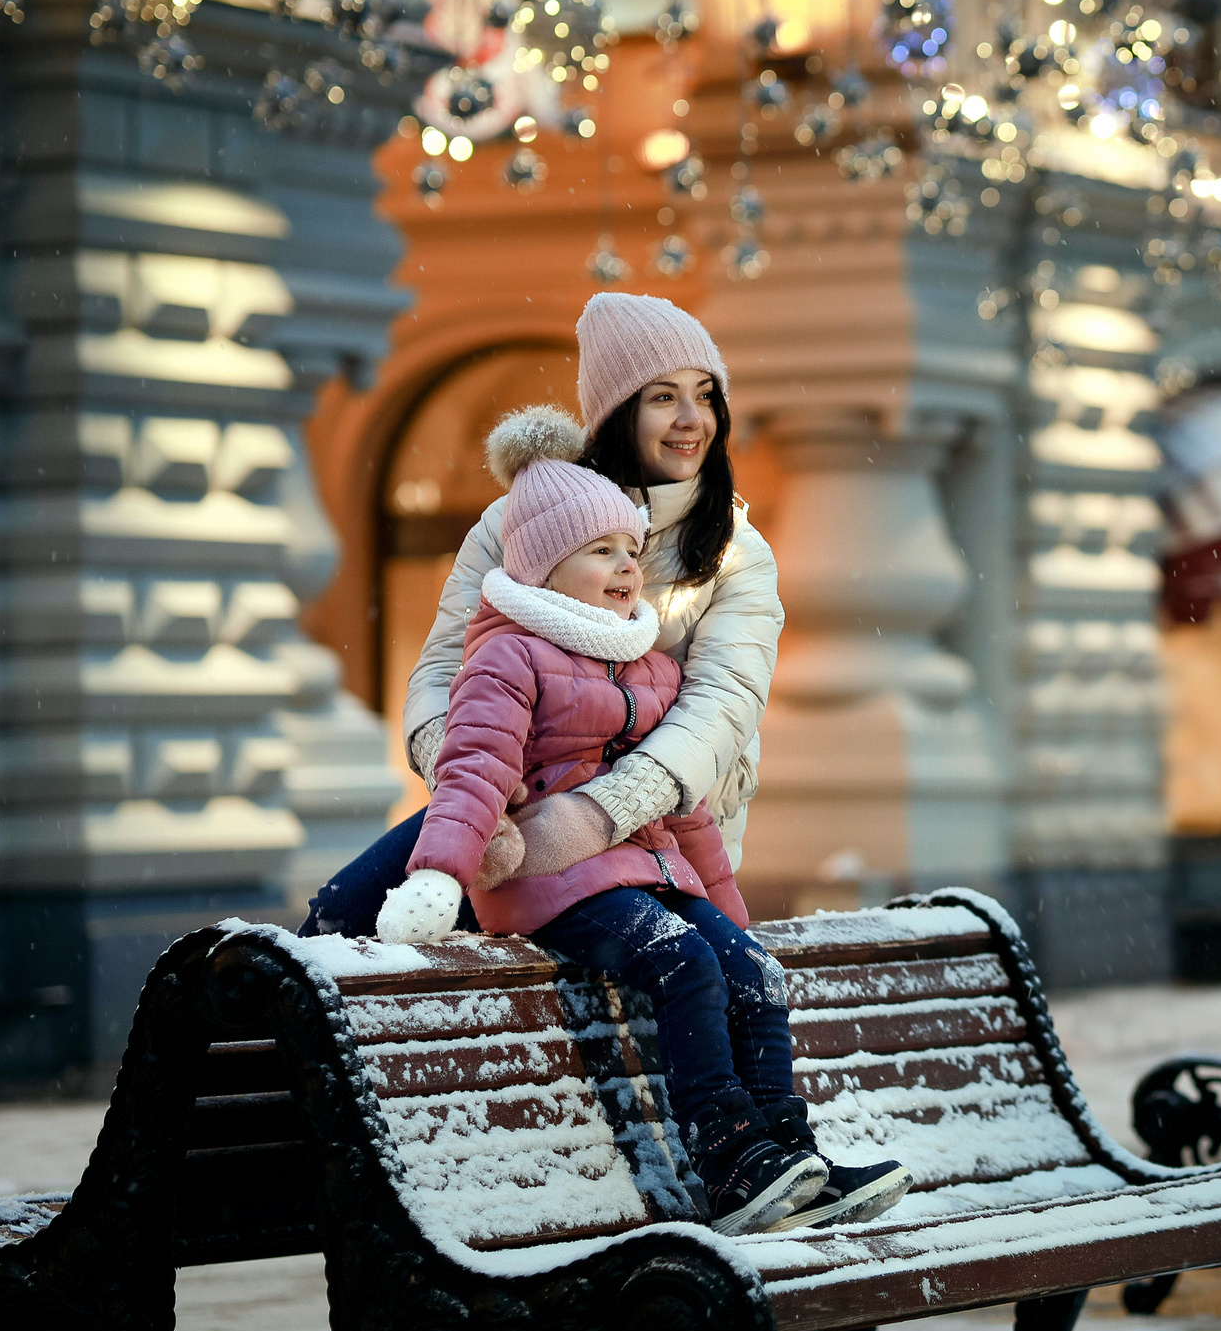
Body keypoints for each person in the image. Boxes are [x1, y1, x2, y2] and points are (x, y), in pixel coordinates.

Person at [375, 406, 908, 1233]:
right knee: (681, 958)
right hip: (550, 881)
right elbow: (472, 769)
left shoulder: (649, 664)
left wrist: (731, 914)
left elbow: (679, 806)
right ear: (546, 567)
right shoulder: (508, 655)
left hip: (645, 872)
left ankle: (788, 1155)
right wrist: (440, 872)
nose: (628, 566)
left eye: (631, 549)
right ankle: (730, 1161)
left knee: (750, 969)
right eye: (602, 551)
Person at [304, 290, 774, 938]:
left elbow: (721, 706)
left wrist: (596, 814)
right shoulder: (515, 520)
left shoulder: (734, 551)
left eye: (705, 394)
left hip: (658, 838)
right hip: (513, 812)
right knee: (334, 923)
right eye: (663, 396)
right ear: (616, 412)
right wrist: (472, 781)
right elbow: (444, 666)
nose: (692, 418)